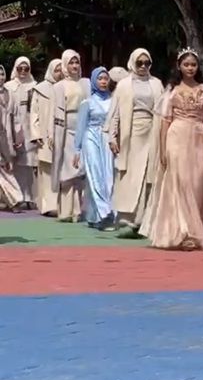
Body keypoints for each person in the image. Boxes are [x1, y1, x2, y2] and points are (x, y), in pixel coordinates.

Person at [141, 49, 203, 250]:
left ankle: (196, 230)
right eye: (186, 64)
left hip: (199, 138)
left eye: (193, 65)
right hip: (177, 137)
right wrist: (163, 149)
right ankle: (184, 233)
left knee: (197, 184)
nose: (190, 68)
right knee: (180, 183)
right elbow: (165, 122)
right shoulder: (172, 90)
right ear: (179, 66)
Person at [108, 48, 163, 238]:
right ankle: (127, 217)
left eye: (147, 63)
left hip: (152, 130)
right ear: (132, 63)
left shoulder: (156, 83)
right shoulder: (124, 84)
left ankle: (143, 220)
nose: (143, 66)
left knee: (149, 174)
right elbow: (115, 113)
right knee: (131, 174)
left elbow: (163, 109)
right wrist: (112, 137)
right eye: (139, 63)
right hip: (131, 133)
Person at [49, 50, 91, 222]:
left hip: (83, 128)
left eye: (76, 62)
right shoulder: (58, 87)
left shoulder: (86, 83)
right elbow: (53, 111)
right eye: (71, 63)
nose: (74, 66)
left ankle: (78, 209)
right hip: (65, 130)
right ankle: (66, 211)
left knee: (80, 169)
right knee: (67, 170)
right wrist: (51, 134)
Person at [73, 67, 115, 230]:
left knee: (108, 176)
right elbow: (80, 127)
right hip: (90, 138)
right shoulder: (87, 103)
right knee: (95, 174)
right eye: (100, 79)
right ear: (94, 81)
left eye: (106, 78)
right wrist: (77, 149)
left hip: (107, 139)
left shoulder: (114, 101)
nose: (103, 82)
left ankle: (94, 214)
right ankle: (105, 214)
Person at [30, 58, 63, 216]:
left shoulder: (65, 87)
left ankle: (61, 204)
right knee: (46, 170)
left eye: (61, 70)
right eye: (57, 70)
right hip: (44, 135)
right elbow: (34, 113)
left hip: (61, 134)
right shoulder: (40, 89)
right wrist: (36, 134)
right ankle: (48, 206)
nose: (59, 73)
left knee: (61, 169)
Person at [6, 56, 37, 208]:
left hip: (30, 127)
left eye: (26, 68)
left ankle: (29, 196)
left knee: (29, 164)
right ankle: (16, 197)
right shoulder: (9, 86)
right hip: (13, 127)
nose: (23, 71)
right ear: (15, 69)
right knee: (15, 163)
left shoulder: (34, 86)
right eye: (20, 68)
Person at [0, 65, 25, 211]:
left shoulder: (10, 94)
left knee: (6, 168)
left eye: (2, 74)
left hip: (6, 137)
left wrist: (18, 137)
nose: (0, 77)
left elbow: (16, 118)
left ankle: (14, 199)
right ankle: (15, 200)